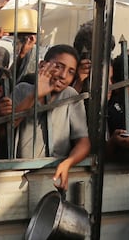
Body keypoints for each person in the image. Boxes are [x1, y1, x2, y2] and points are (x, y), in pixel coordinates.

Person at [11, 44, 91, 189]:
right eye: (59, 66)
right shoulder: (22, 90)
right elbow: (9, 126)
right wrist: (36, 94)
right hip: (20, 174)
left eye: (71, 72)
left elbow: (83, 143)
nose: (63, 75)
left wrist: (67, 163)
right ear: (42, 65)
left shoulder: (70, 95)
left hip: (55, 172)